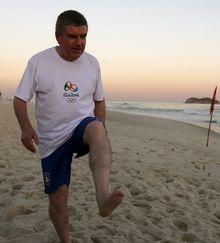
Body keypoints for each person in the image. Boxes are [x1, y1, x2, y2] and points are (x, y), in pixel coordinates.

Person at [13, 10, 124, 243]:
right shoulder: (38, 62)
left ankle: (103, 197)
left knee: (96, 128)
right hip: (52, 140)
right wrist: (25, 126)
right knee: (58, 198)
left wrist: (100, 129)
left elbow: (99, 100)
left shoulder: (92, 63)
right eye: (73, 36)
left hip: (80, 127)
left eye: (83, 36)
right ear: (58, 36)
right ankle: (66, 240)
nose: (79, 43)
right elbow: (20, 99)